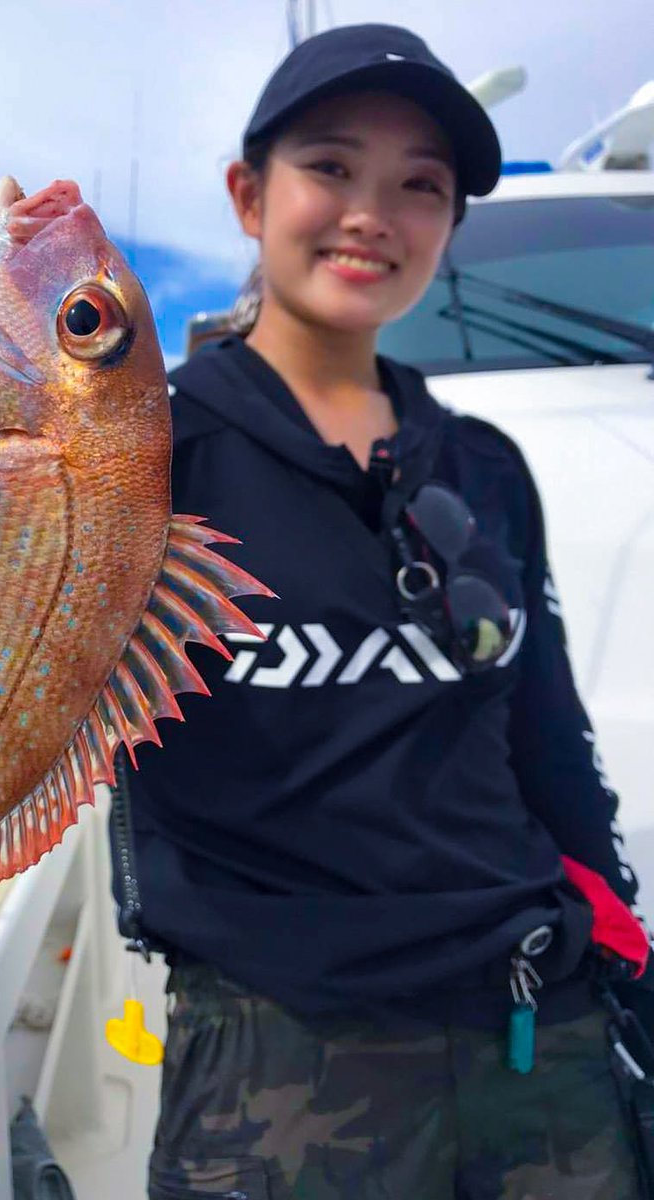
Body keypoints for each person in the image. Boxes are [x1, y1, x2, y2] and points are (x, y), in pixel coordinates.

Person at [109, 22, 652, 1200]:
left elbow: (547, 735)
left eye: (421, 186)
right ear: (248, 196)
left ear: (447, 225)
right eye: (331, 167)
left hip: (538, 1019)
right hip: (278, 1046)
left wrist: (619, 937)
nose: (372, 213)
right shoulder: (141, 457)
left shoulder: (485, 463)